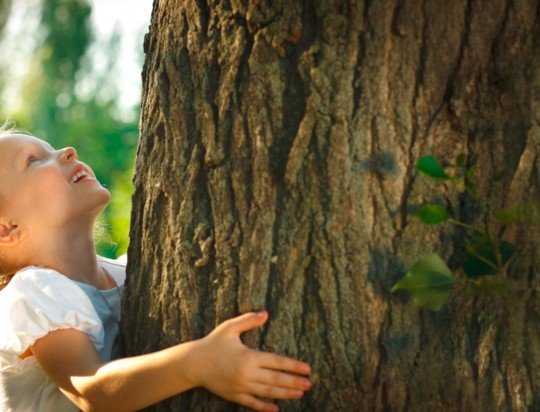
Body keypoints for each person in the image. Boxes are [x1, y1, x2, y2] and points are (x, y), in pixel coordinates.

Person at [0, 125, 312, 411]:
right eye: (34, 160)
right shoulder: (34, 293)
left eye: (52, 148)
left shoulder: (132, 272)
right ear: (6, 230)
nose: (68, 150)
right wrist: (195, 363)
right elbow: (90, 391)